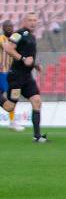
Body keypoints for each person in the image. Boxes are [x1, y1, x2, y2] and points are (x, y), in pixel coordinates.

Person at [1, 13, 46, 142]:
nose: (33, 22)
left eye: (35, 20)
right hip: (16, 76)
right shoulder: (19, 34)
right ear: (24, 21)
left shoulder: (32, 36)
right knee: (10, 107)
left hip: (27, 76)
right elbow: (8, 48)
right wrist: (23, 59)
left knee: (37, 101)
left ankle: (37, 137)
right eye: (30, 20)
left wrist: (35, 65)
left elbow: (28, 57)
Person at [0, 20, 22, 131]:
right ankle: (12, 122)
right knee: (10, 96)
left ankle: (12, 122)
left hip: (9, 72)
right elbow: (6, 47)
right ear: (3, 28)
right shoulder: (2, 38)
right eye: (7, 26)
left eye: (11, 26)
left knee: (12, 96)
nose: (9, 28)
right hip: (2, 72)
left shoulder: (14, 40)